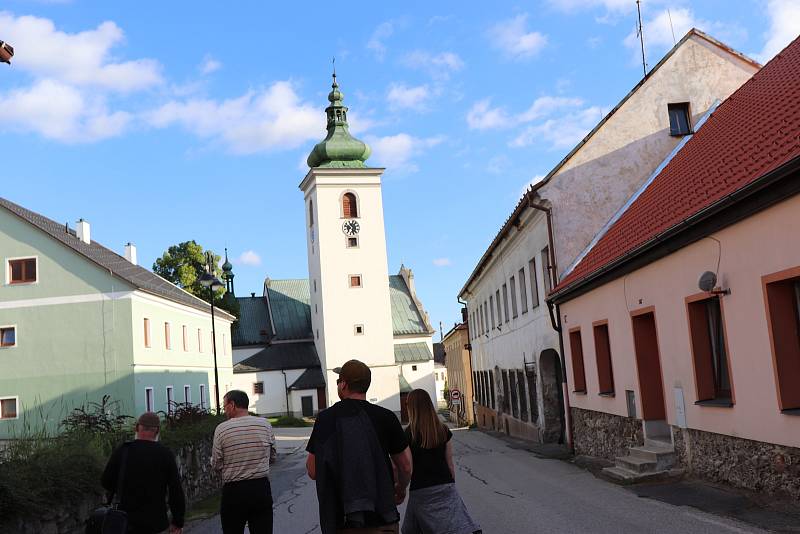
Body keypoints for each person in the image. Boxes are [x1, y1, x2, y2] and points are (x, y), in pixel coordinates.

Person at [306, 359, 413, 534]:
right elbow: (406, 465)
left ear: (344, 385)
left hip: (341, 520)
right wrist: (400, 488)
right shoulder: (386, 417)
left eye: (338, 381)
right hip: (383, 517)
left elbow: (313, 470)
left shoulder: (325, 419)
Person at [401, 389, 481, 534]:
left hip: (421, 491)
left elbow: (408, 468)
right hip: (445, 486)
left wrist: (401, 488)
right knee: (455, 526)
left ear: (412, 407)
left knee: (410, 530)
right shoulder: (443, 430)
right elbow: (449, 463)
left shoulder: (407, 435)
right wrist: (450, 486)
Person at [101, 412, 185, 534]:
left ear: (136, 428)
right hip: (156, 522)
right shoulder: (165, 454)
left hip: (125, 521)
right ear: (157, 431)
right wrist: (178, 521)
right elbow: (175, 490)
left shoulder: (124, 450)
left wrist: (123, 488)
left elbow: (106, 481)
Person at [211, 389, 276, 534]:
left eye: (224, 406)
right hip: (261, 489)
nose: (224, 410)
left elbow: (216, 463)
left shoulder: (222, 429)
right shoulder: (265, 425)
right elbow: (272, 457)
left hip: (234, 492)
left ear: (232, 405)